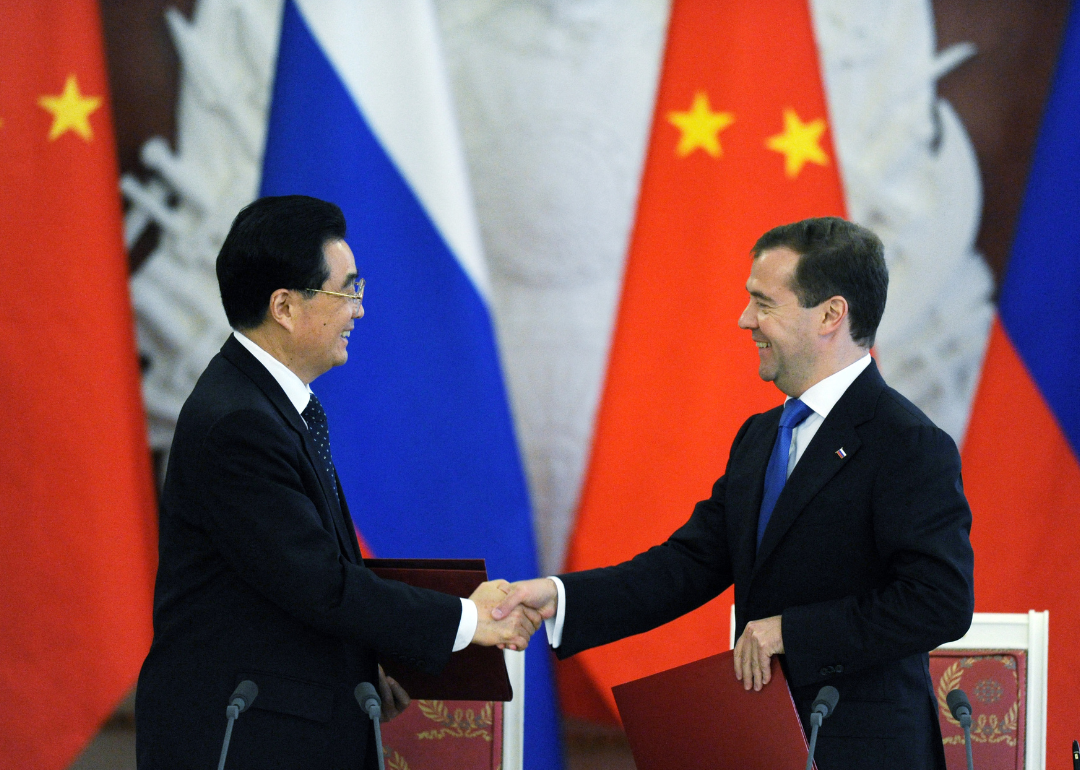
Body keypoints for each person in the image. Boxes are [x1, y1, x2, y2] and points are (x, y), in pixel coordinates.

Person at [493, 217, 975, 769]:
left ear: (829, 315)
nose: (746, 320)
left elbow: (939, 601)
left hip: (864, 750)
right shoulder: (761, 436)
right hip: (763, 741)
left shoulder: (906, 442)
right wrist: (560, 598)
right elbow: (688, 564)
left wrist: (791, 632)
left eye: (764, 303)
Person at [135, 195, 538, 770]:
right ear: (284, 306)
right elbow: (319, 584)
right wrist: (471, 620)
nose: (359, 310)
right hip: (243, 741)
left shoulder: (268, 404)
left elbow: (299, 583)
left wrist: (365, 659)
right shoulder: (239, 424)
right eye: (346, 290)